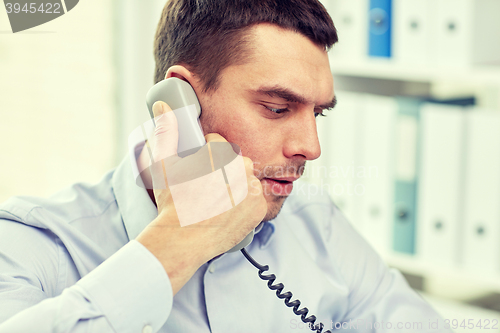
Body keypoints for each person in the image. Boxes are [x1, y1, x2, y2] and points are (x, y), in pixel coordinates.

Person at [0, 0, 452, 332]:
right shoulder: (29, 244)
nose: (311, 148)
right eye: (277, 107)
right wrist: (182, 239)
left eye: (318, 113)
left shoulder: (315, 220)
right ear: (180, 106)